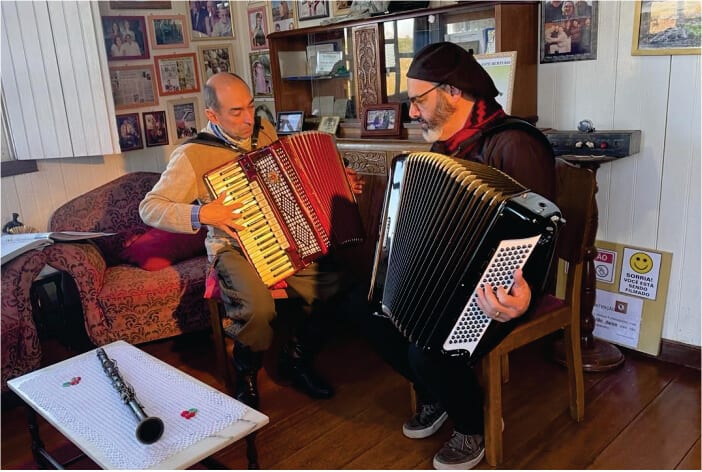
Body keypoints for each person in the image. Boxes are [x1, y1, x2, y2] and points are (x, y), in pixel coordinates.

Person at [358, 42, 555, 470]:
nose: (411, 113)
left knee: (427, 347)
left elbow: (541, 237)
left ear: (453, 92)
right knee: (373, 314)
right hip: (451, 278)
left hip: (508, 290)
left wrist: (522, 297)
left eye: (417, 101)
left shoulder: (514, 143)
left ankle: (475, 425)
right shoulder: (447, 146)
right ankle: (440, 396)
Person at [139, 72, 365, 410]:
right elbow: (149, 208)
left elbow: (293, 175)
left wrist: (337, 181)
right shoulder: (192, 155)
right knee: (258, 311)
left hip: (284, 238)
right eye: (235, 112)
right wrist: (202, 215)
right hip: (234, 248)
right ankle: (247, 375)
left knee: (339, 286)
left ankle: (297, 358)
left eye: (250, 107)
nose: (248, 119)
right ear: (211, 115)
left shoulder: (264, 130)